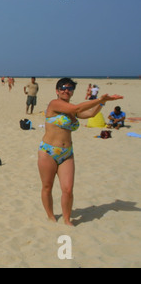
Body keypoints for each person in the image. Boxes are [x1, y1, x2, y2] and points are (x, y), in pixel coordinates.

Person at [37, 78, 123, 226]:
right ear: (57, 91)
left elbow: (89, 114)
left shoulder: (72, 109)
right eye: (63, 88)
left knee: (68, 189)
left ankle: (66, 219)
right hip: (48, 152)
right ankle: (51, 216)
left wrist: (103, 102)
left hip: (67, 153)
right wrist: (99, 99)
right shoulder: (54, 104)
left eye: (69, 88)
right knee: (47, 186)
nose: (66, 90)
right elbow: (76, 109)